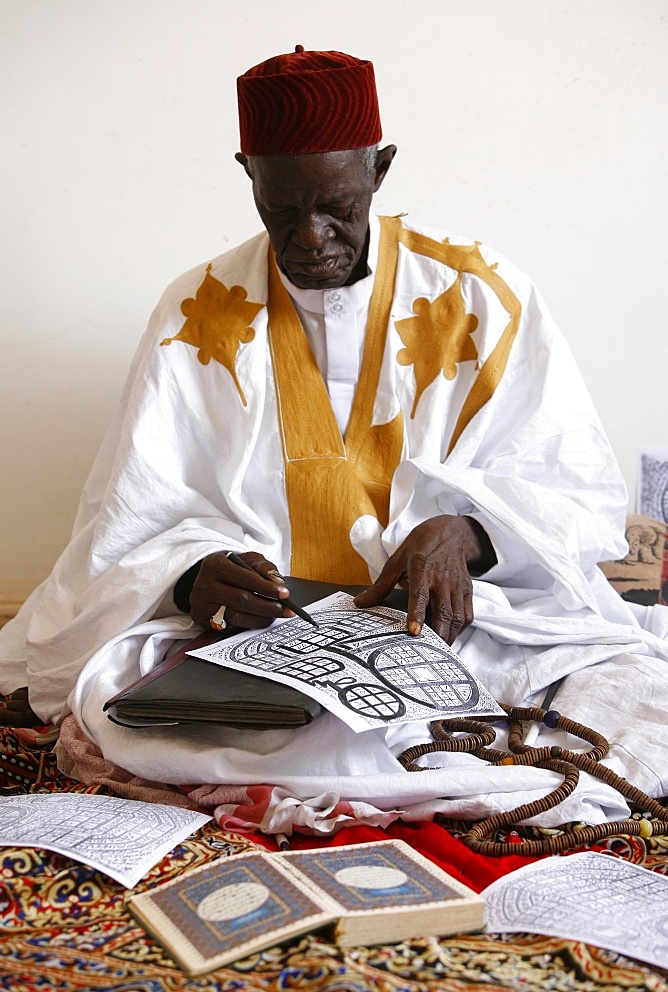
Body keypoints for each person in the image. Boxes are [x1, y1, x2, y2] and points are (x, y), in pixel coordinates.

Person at [1, 47, 667, 835]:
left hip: (465, 628)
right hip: (265, 648)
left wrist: (468, 534)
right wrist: (192, 579)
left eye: (337, 207)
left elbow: (578, 489)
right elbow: (129, 518)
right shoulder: (197, 309)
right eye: (281, 211)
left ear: (379, 170)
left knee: (630, 699)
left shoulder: (481, 292)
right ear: (247, 171)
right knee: (124, 701)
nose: (310, 238)